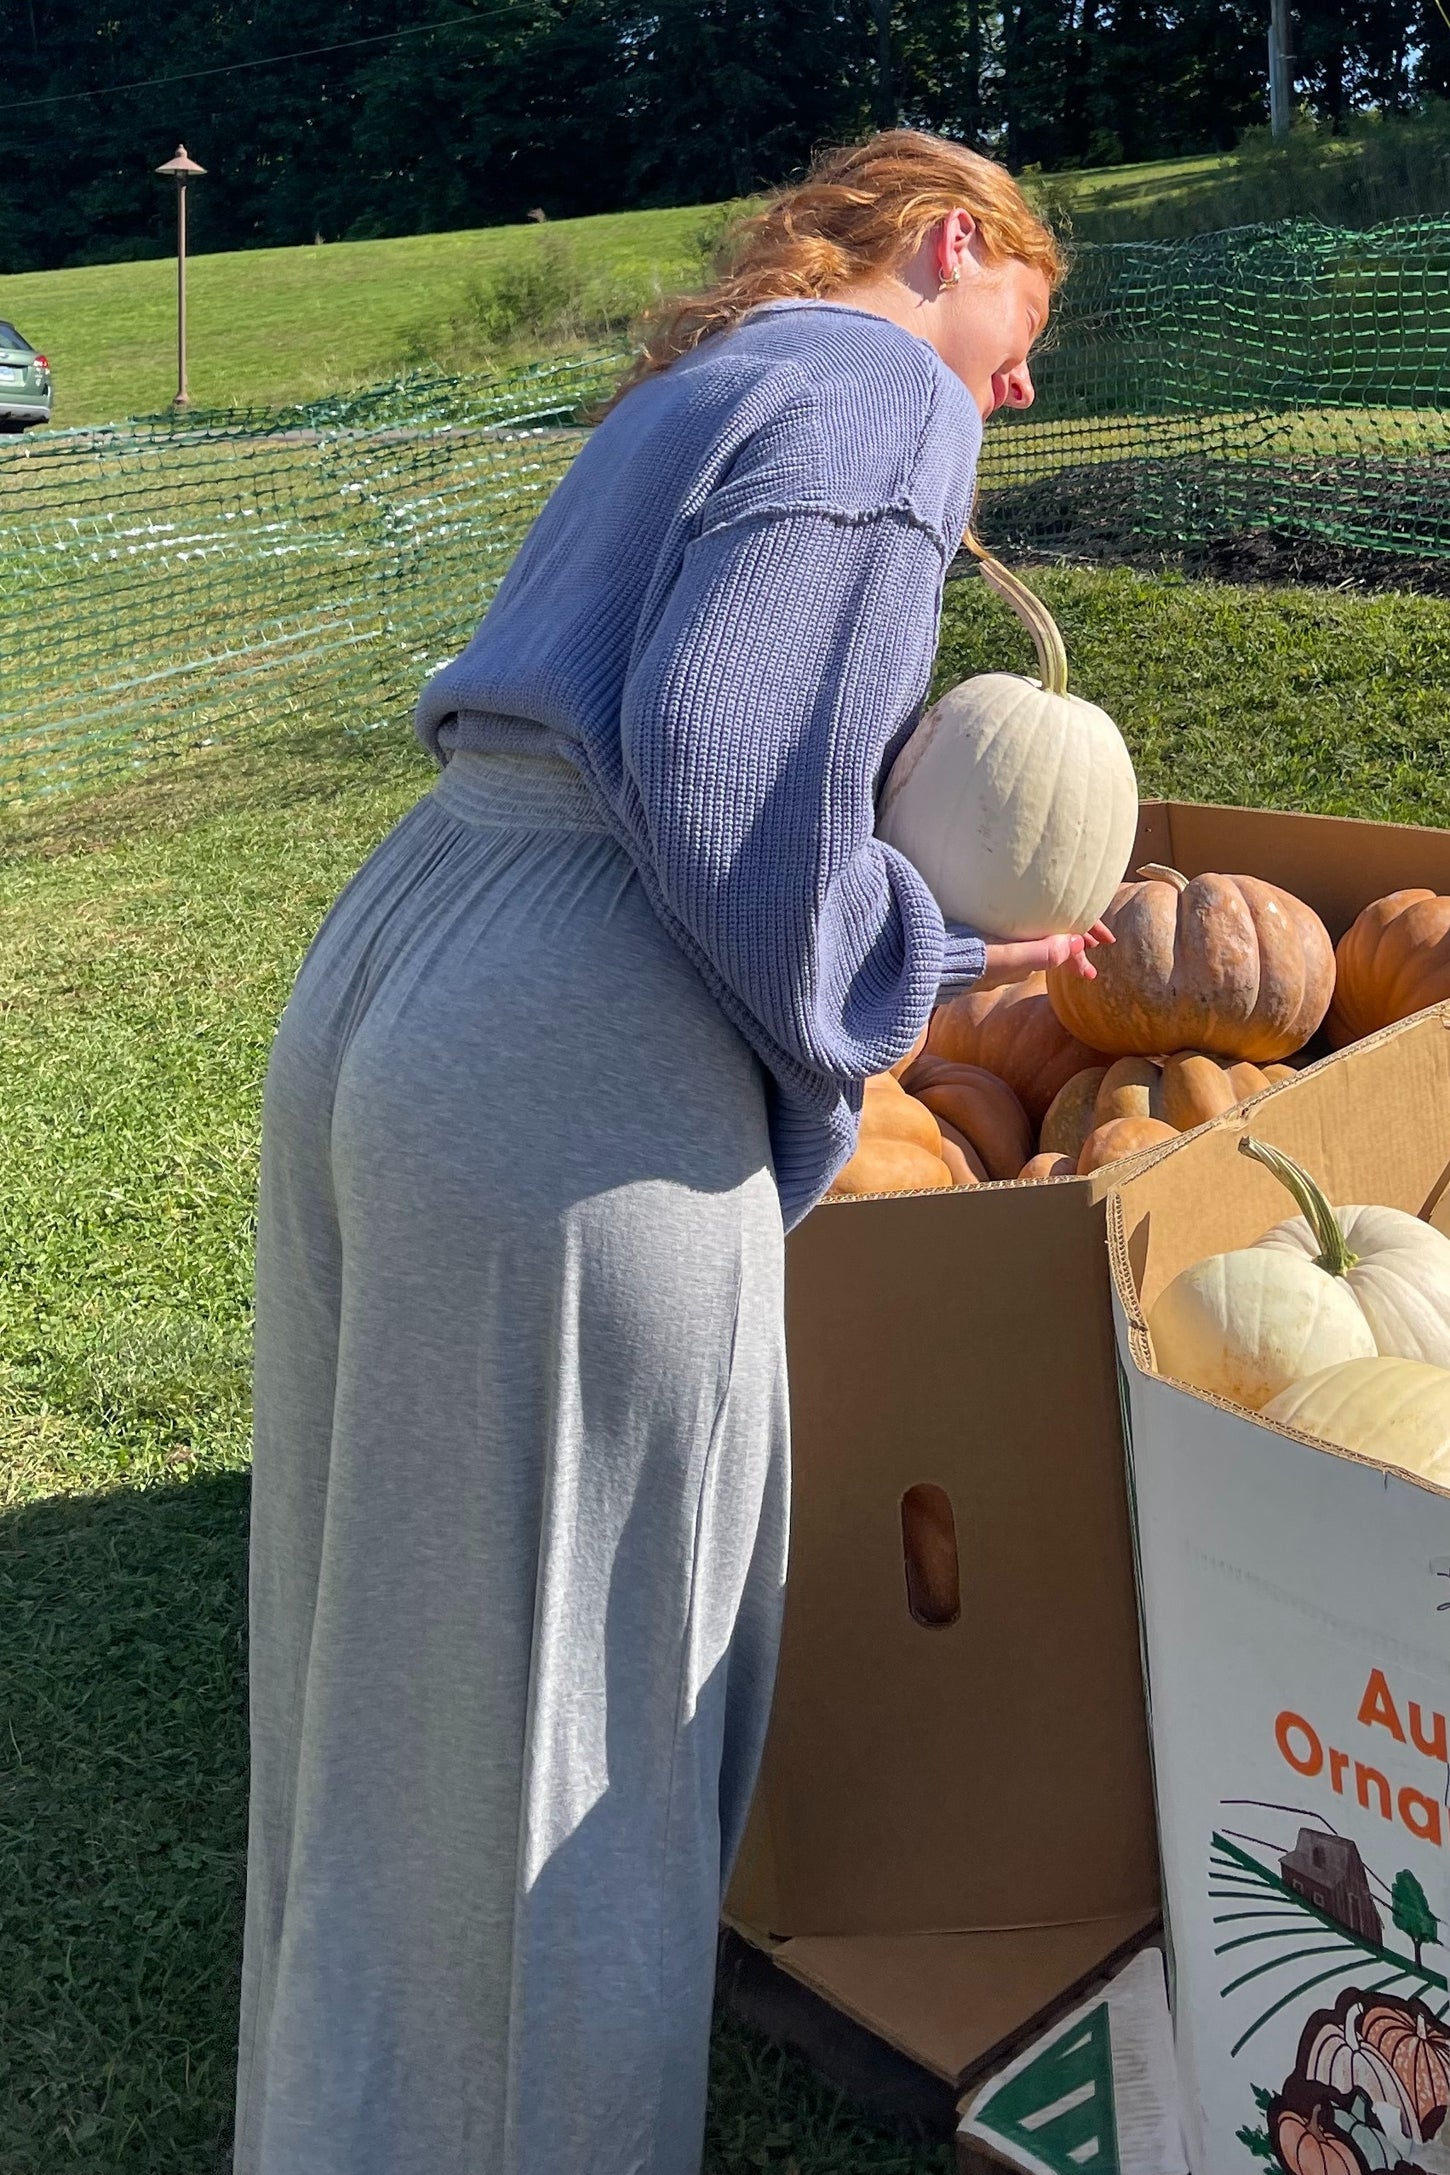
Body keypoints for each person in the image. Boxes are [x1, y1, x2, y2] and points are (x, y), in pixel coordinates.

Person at [231, 127, 1100, 2175]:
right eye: (1022, 323)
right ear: (950, 243)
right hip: (567, 1034)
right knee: (576, 1702)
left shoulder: (706, 379)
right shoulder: (881, 383)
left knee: (388, 1676)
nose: (1015, 384)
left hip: (417, 938)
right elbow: (718, 751)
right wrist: (912, 961)